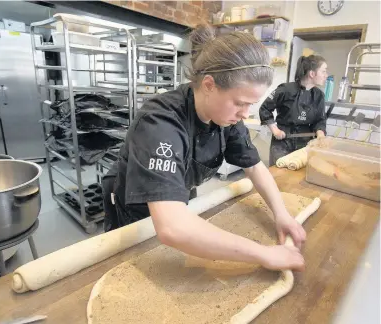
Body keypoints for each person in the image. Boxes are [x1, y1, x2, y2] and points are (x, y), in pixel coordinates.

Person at [102, 24, 306, 272]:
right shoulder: (160, 121)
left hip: (176, 201)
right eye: (241, 103)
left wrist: (281, 213)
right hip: (135, 213)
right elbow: (172, 228)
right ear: (209, 85)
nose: (246, 113)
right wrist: (264, 254)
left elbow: (254, 168)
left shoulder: (226, 116)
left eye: (251, 105)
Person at [259, 55, 328, 166]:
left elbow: (320, 120)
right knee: (279, 174)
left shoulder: (319, 95)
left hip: (305, 143)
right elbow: (265, 109)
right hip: (282, 141)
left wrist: (320, 135)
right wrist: (275, 130)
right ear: (312, 74)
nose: (326, 75)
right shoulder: (285, 90)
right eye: (323, 71)